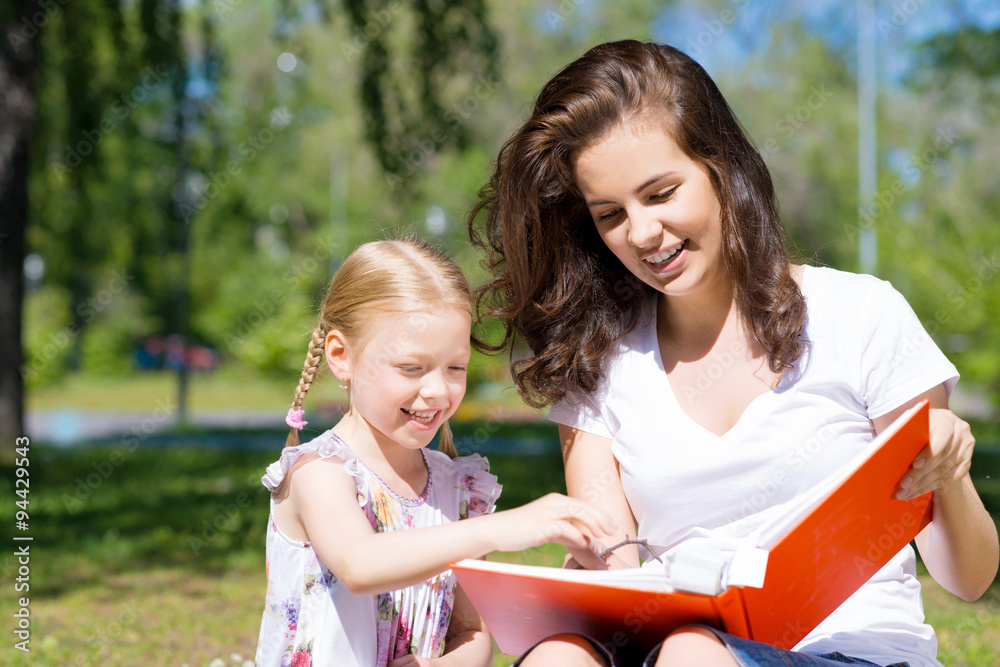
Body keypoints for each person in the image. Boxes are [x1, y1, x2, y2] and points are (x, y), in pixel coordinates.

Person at [467, 40, 998, 667]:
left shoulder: (861, 315)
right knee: (568, 657)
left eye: (661, 193)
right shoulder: (598, 362)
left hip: (853, 655)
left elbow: (967, 581)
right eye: (610, 214)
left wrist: (951, 479)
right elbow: (612, 565)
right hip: (673, 647)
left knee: (694, 652)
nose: (640, 234)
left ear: (722, 168)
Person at [253, 238, 617, 667]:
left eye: (455, 368)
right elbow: (360, 564)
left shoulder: (458, 490)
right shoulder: (320, 473)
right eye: (412, 367)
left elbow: (472, 632)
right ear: (341, 356)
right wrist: (503, 528)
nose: (439, 391)